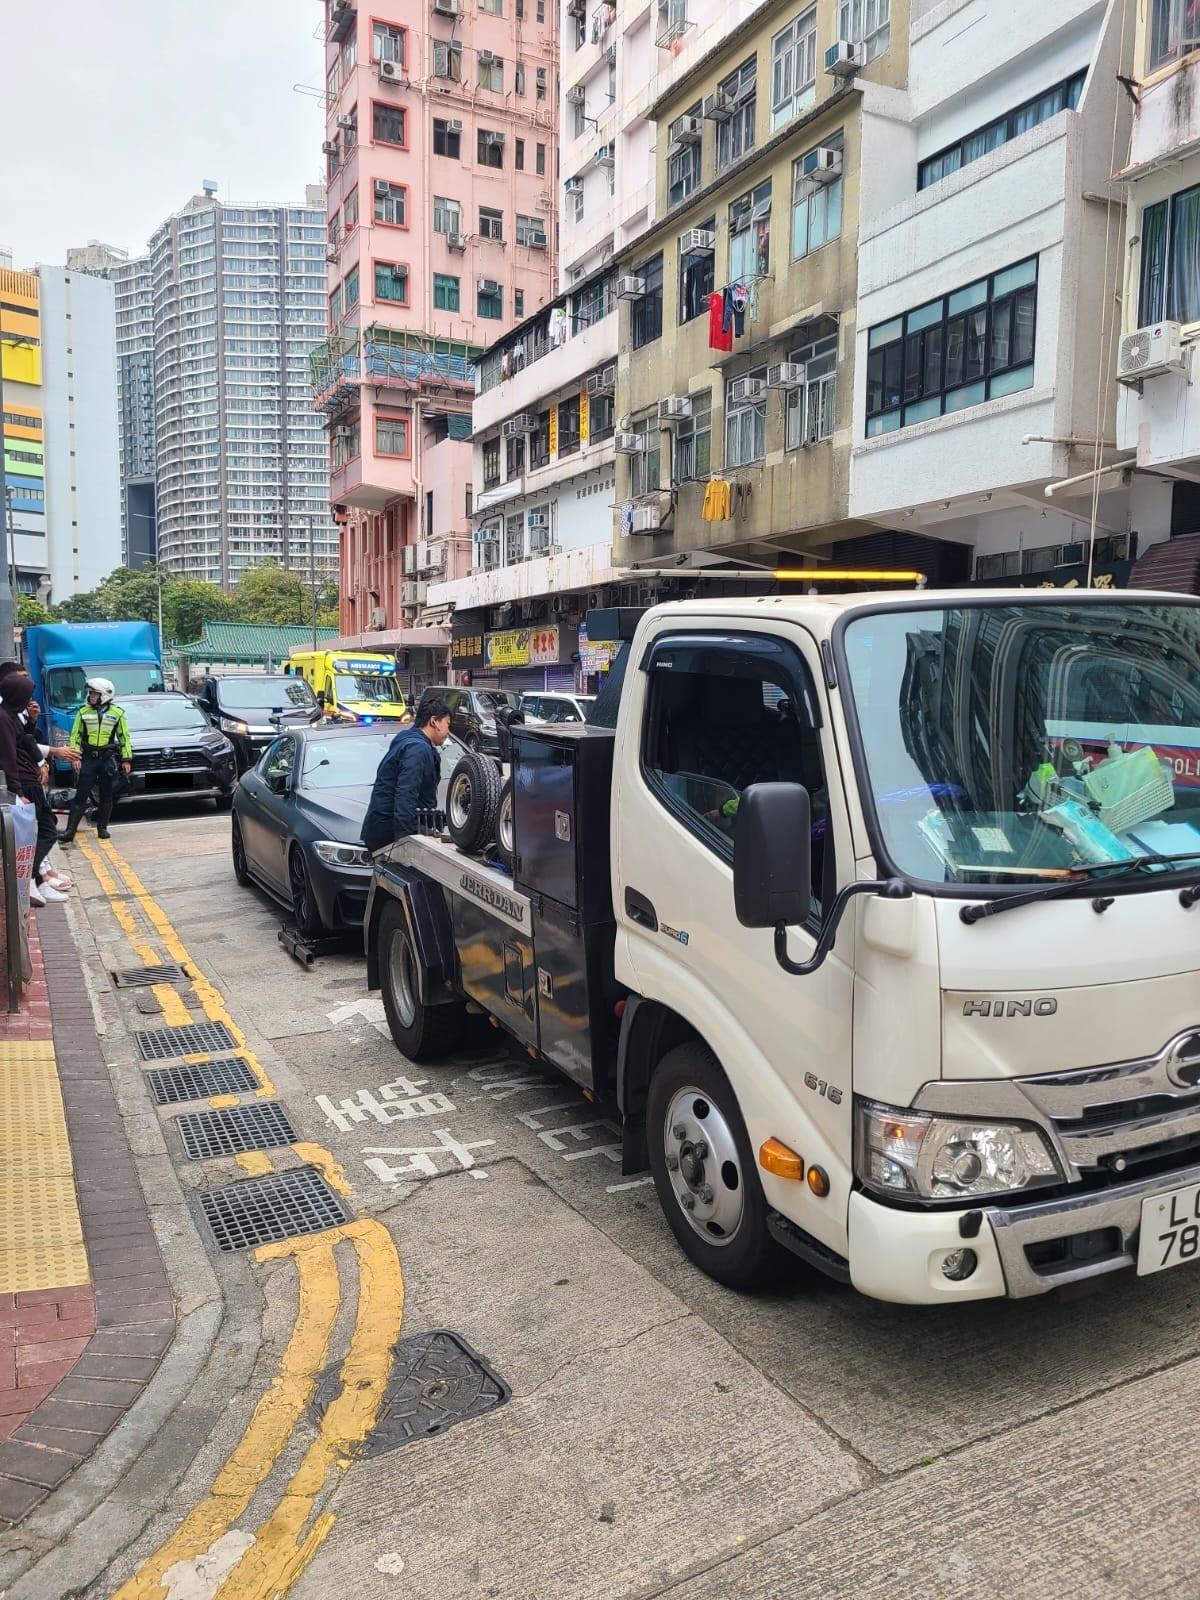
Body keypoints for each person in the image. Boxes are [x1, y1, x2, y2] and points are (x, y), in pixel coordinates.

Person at [361, 696, 451, 853]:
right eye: (447, 724)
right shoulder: (417, 749)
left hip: (381, 828)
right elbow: (405, 796)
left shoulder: (407, 738)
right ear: (434, 721)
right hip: (388, 837)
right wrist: (405, 844)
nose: (448, 731)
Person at [60, 678, 132, 843]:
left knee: (107, 795)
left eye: (94, 693)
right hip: (88, 759)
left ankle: (102, 828)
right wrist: (75, 757)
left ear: (105, 695)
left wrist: (126, 759)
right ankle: (70, 831)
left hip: (107, 760)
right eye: (90, 693)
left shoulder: (117, 713)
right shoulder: (83, 712)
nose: (90, 695)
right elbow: (75, 736)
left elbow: (124, 737)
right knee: (81, 794)